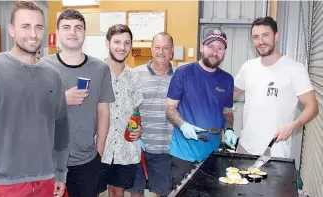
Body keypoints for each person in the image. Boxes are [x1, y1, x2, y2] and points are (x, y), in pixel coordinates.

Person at [0, 1, 69, 197]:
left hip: (45, 180)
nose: (33, 34)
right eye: (25, 26)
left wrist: (60, 172)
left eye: (38, 27)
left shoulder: (54, 76)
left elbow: (61, 128)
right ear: (11, 29)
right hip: (1, 184)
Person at [41, 9, 115, 197]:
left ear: (85, 33)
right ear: (58, 33)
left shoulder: (100, 69)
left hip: (86, 160)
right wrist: (61, 99)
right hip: (48, 159)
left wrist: (99, 150)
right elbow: (32, 111)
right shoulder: (42, 67)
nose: (73, 32)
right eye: (66, 27)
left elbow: (104, 110)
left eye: (78, 28)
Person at [233, 16, 319, 158]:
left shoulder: (295, 69)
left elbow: (312, 107)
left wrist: (292, 127)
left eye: (265, 35)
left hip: (275, 152)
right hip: (245, 148)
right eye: (256, 37)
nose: (260, 42)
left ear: (276, 36)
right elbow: (231, 93)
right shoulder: (248, 67)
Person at [165, 29, 237, 186]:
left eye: (220, 48)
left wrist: (229, 129)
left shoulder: (227, 80)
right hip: (183, 155)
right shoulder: (183, 73)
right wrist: (182, 125)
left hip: (211, 156)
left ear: (224, 52)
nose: (214, 52)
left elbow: (227, 112)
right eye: (211, 46)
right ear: (202, 47)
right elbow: (170, 108)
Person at [97, 24, 144, 197]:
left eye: (127, 43)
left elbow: (136, 112)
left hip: (125, 150)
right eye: (117, 42)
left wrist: (139, 129)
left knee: (117, 192)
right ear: (107, 43)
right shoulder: (96, 72)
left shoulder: (135, 77)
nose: (122, 47)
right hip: (98, 149)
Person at [126, 32, 175, 197]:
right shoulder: (135, 74)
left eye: (166, 48)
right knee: (136, 192)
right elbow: (128, 108)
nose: (161, 52)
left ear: (172, 51)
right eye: (157, 47)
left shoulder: (179, 77)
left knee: (164, 193)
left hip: (165, 148)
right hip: (139, 147)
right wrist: (133, 131)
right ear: (151, 49)